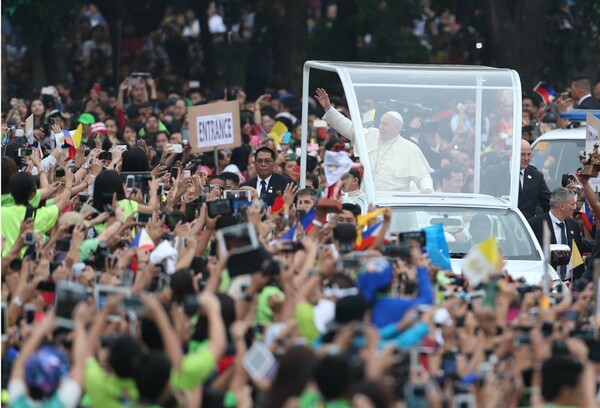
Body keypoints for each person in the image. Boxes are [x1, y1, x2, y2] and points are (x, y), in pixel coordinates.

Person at [315, 88, 433, 193]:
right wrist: (328, 108)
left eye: (385, 124)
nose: (380, 126)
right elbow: (348, 126)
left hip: (395, 205)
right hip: (368, 200)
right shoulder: (370, 134)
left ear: (397, 128)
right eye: (380, 122)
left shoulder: (409, 148)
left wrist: (426, 189)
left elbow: (423, 176)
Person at [528, 187, 592, 281]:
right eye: (572, 204)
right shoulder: (535, 224)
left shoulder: (574, 225)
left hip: (571, 282)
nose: (575, 208)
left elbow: (579, 247)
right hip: (547, 282)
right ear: (562, 206)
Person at [518, 139, 551, 220]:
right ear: (512, 153)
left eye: (529, 155)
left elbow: (548, 202)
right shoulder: (499, 172)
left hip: (527, 228)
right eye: (522, 155)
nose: (526, 158)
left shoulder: (536, 176)